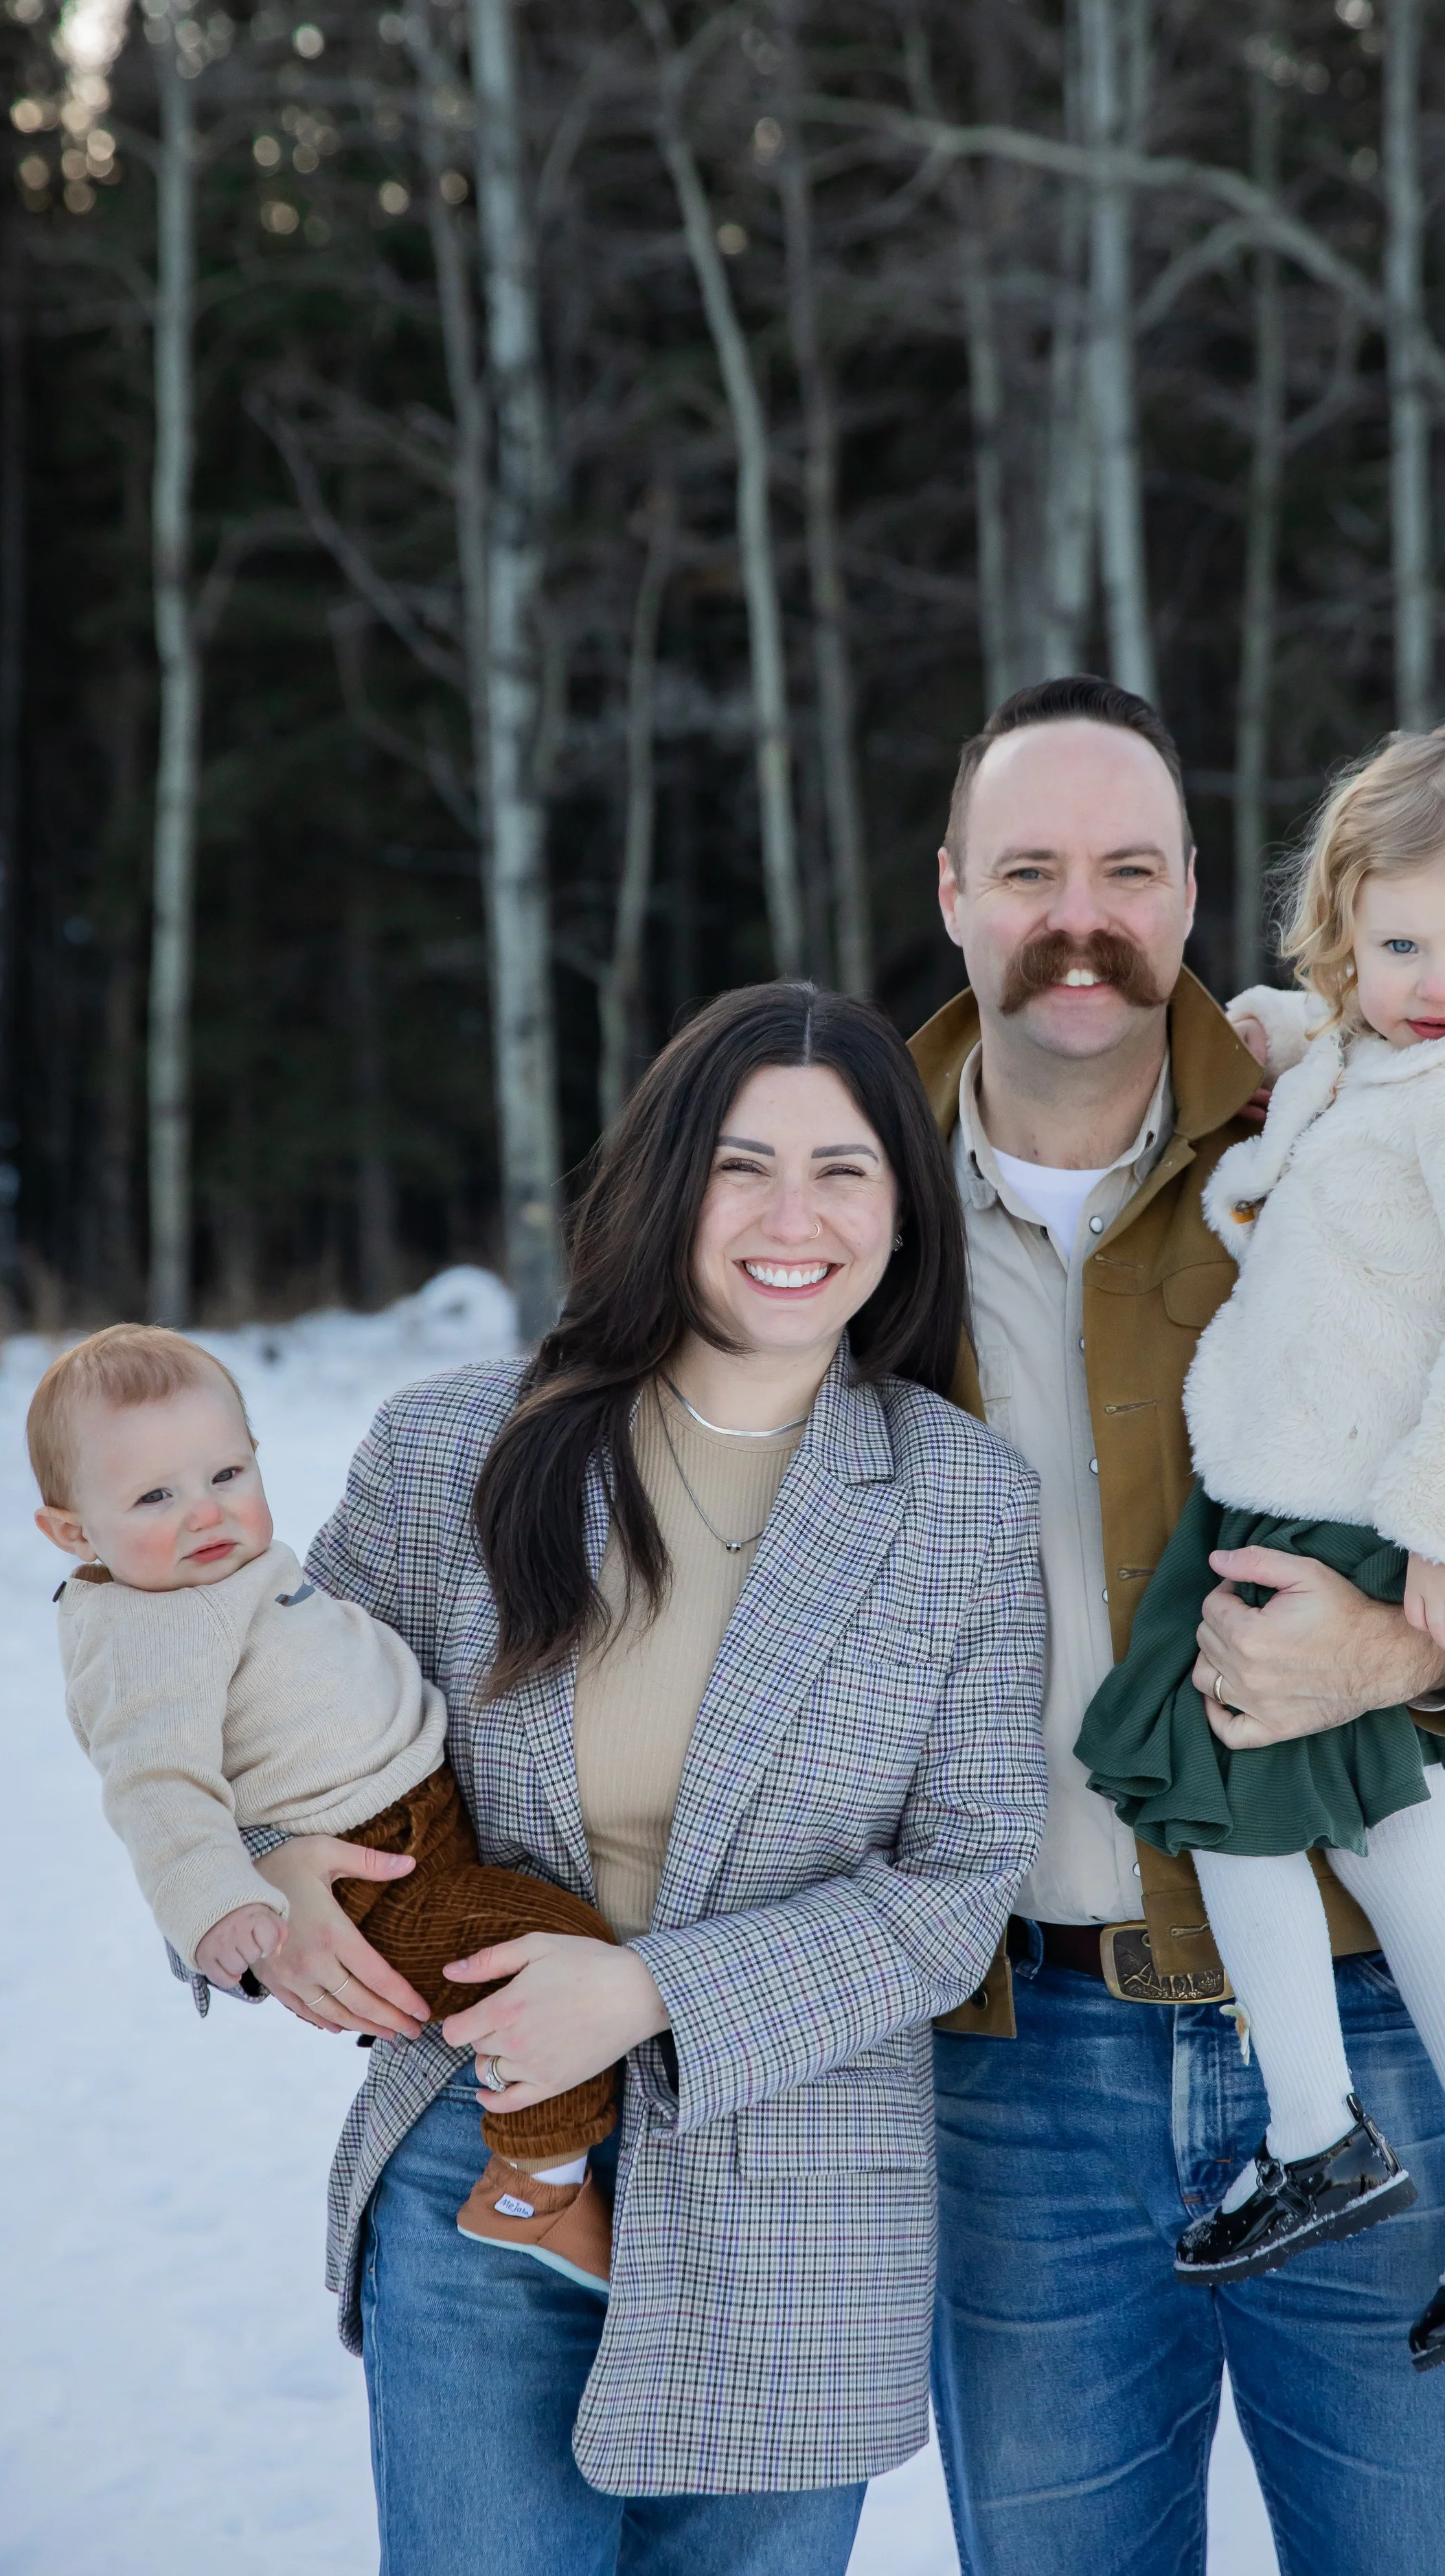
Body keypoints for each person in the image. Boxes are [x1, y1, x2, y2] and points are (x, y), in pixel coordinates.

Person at [909, 675, 1445, 2576]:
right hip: (1021, 2056)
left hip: (1367, 2002)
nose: (1074, 912)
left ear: (1186, 890)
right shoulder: (843, 1186)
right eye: (1027, 868)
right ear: (951, 891)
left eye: (1123, 865)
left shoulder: (1371, 1097)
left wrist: (1428, 1643)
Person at [227, 982, 1048, 2575]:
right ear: (670, 1184)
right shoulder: (453, 1447)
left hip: (797, 2206)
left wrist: (647, 1993)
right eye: (742, 1166)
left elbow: (956, 1887)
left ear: (901, 1210)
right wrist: (267, 1866)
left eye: (843, 1170)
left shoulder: (959, 1505)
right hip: (479, 2161)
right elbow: (278, 1717)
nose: (789, 1217)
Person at [1075, 719, 1445, 2366]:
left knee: (1241, 1806)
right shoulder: (1394, 1050)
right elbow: (1330, 1064)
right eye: (1395, 943)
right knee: (1370, 1840)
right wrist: (1262, 1026)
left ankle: (1327, 2135)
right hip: (1303, 1483)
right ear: (1345, 928)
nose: (1435, 977)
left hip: (1362, 1514)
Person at [32, 1324, 624, 2293]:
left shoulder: (223, 1572)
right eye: (153, 1496)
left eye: (225, 1472)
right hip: (371, 1870)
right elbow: (155, 1786)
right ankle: (536, 2184)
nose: (205, 1512)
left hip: (411, 1817)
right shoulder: (150, 1628)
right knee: (543, 1946)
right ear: (73, 1530)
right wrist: (222, 1905)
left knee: (525, 1951)